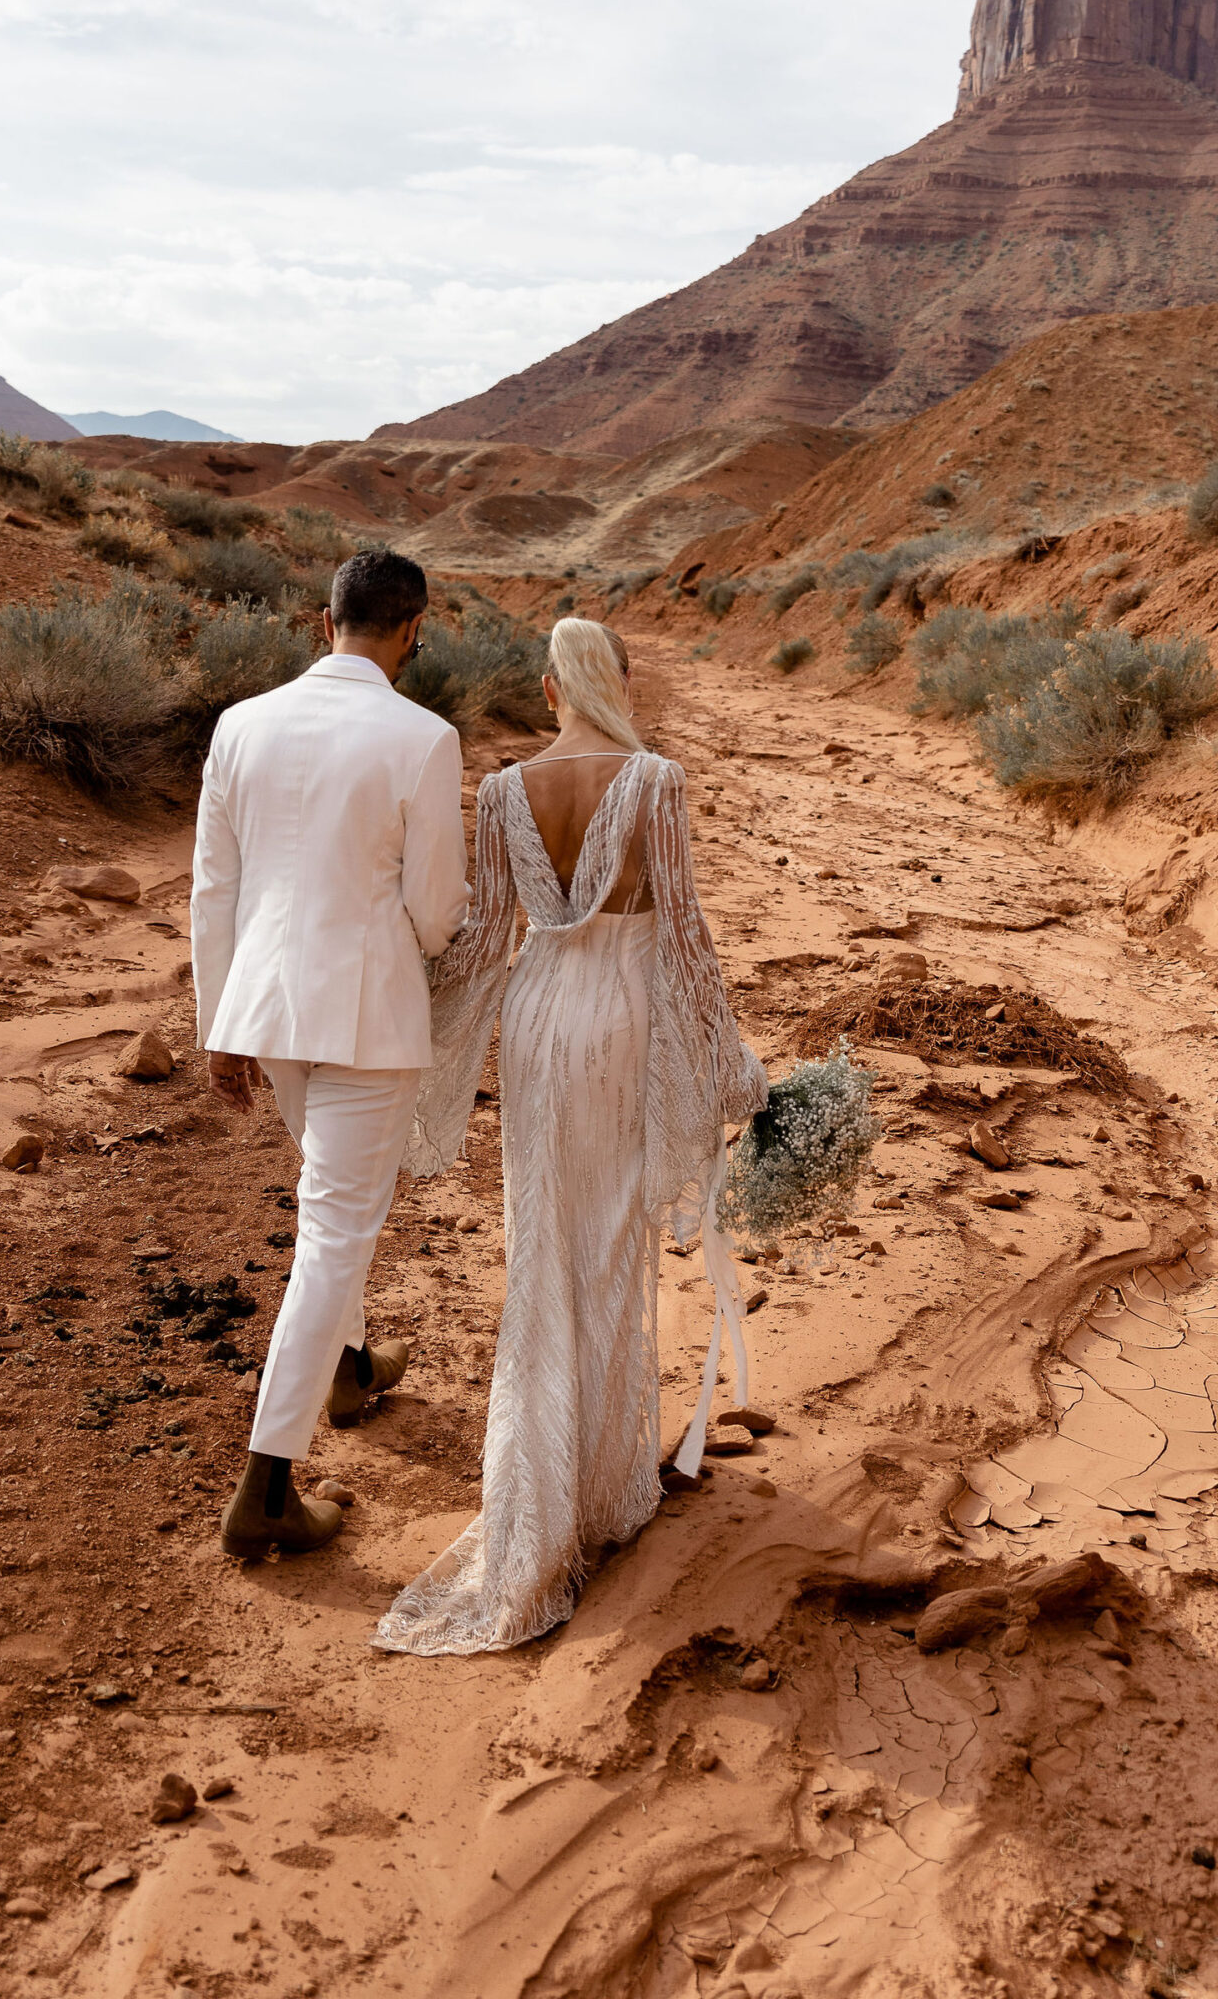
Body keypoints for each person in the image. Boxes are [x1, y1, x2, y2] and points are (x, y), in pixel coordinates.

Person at [375, 617, 765, 1656]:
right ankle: (599, 1490)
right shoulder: (655, 780)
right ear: (615, 684)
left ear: (550, 691)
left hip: (538, 1021)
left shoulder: (502, 792)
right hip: (624, 1016)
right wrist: (727, 1061)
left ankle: (544, 1494)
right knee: (608, 1244)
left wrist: (392, 996)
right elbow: (681, 929)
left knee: (541, 1249)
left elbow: (480, 939)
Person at [191, 547, 470, 1560]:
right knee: (333, 1235)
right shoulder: (423, 737)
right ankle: (266, 1487)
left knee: (328, 1205)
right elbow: (434, 907)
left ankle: (350, 1370)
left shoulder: (240, 723)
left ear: (324, 623)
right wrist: (443, 949)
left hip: (268, 1011)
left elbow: (211, 887)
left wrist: (218, 1021)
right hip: (364, 1014)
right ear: (407, 632)